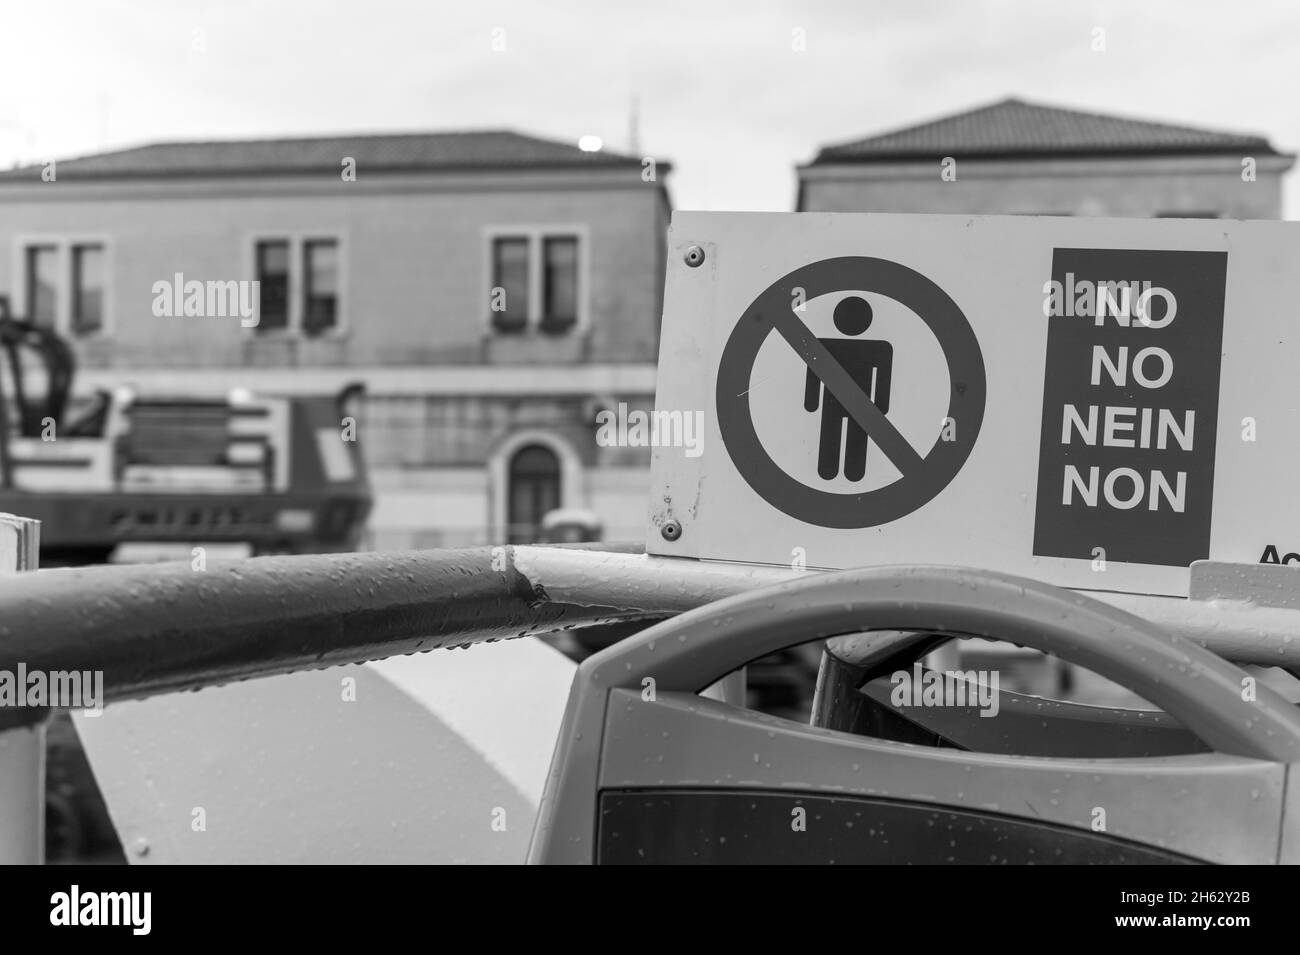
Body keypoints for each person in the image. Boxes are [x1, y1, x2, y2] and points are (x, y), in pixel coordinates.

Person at [803, 295, 893, 481]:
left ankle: (843, 472)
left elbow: (883, 378)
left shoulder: (824, 346)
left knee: (842, 436)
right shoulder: (880, 349)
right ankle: (842, 472)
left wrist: (811, 403)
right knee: (839, 436)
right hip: (856, 407)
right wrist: (879, 407)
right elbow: (883, 382)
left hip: (843, 405)